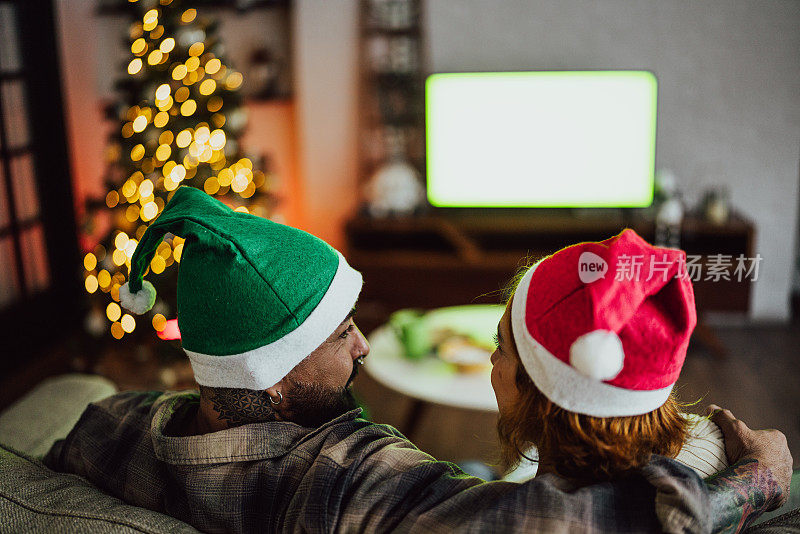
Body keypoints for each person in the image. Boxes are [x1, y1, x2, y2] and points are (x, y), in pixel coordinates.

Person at [45, 187, 790, 533]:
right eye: (340, 335)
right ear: (271, 384)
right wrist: (755, 483)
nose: (365, 344)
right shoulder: (346, 480)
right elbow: (577, 525)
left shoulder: (106, 428)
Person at [489, 229, 793, 520]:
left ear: (543, 399)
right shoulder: (723, 448)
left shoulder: (524, 512)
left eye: (500, 346)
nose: (492, 359)